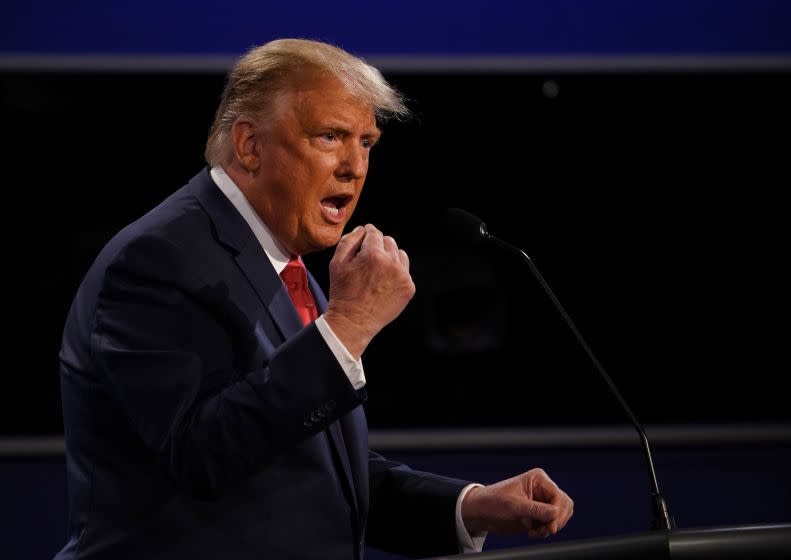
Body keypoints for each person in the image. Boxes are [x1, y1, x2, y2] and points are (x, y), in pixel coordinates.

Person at [55, 38, 573, 560]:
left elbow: (311, 465)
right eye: (330, 136)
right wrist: (347, 325)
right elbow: (201, 456)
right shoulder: (159, 259)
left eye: (367, 142)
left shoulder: (280, 259)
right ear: (249, 146)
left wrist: (467, 507)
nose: (356, 166)